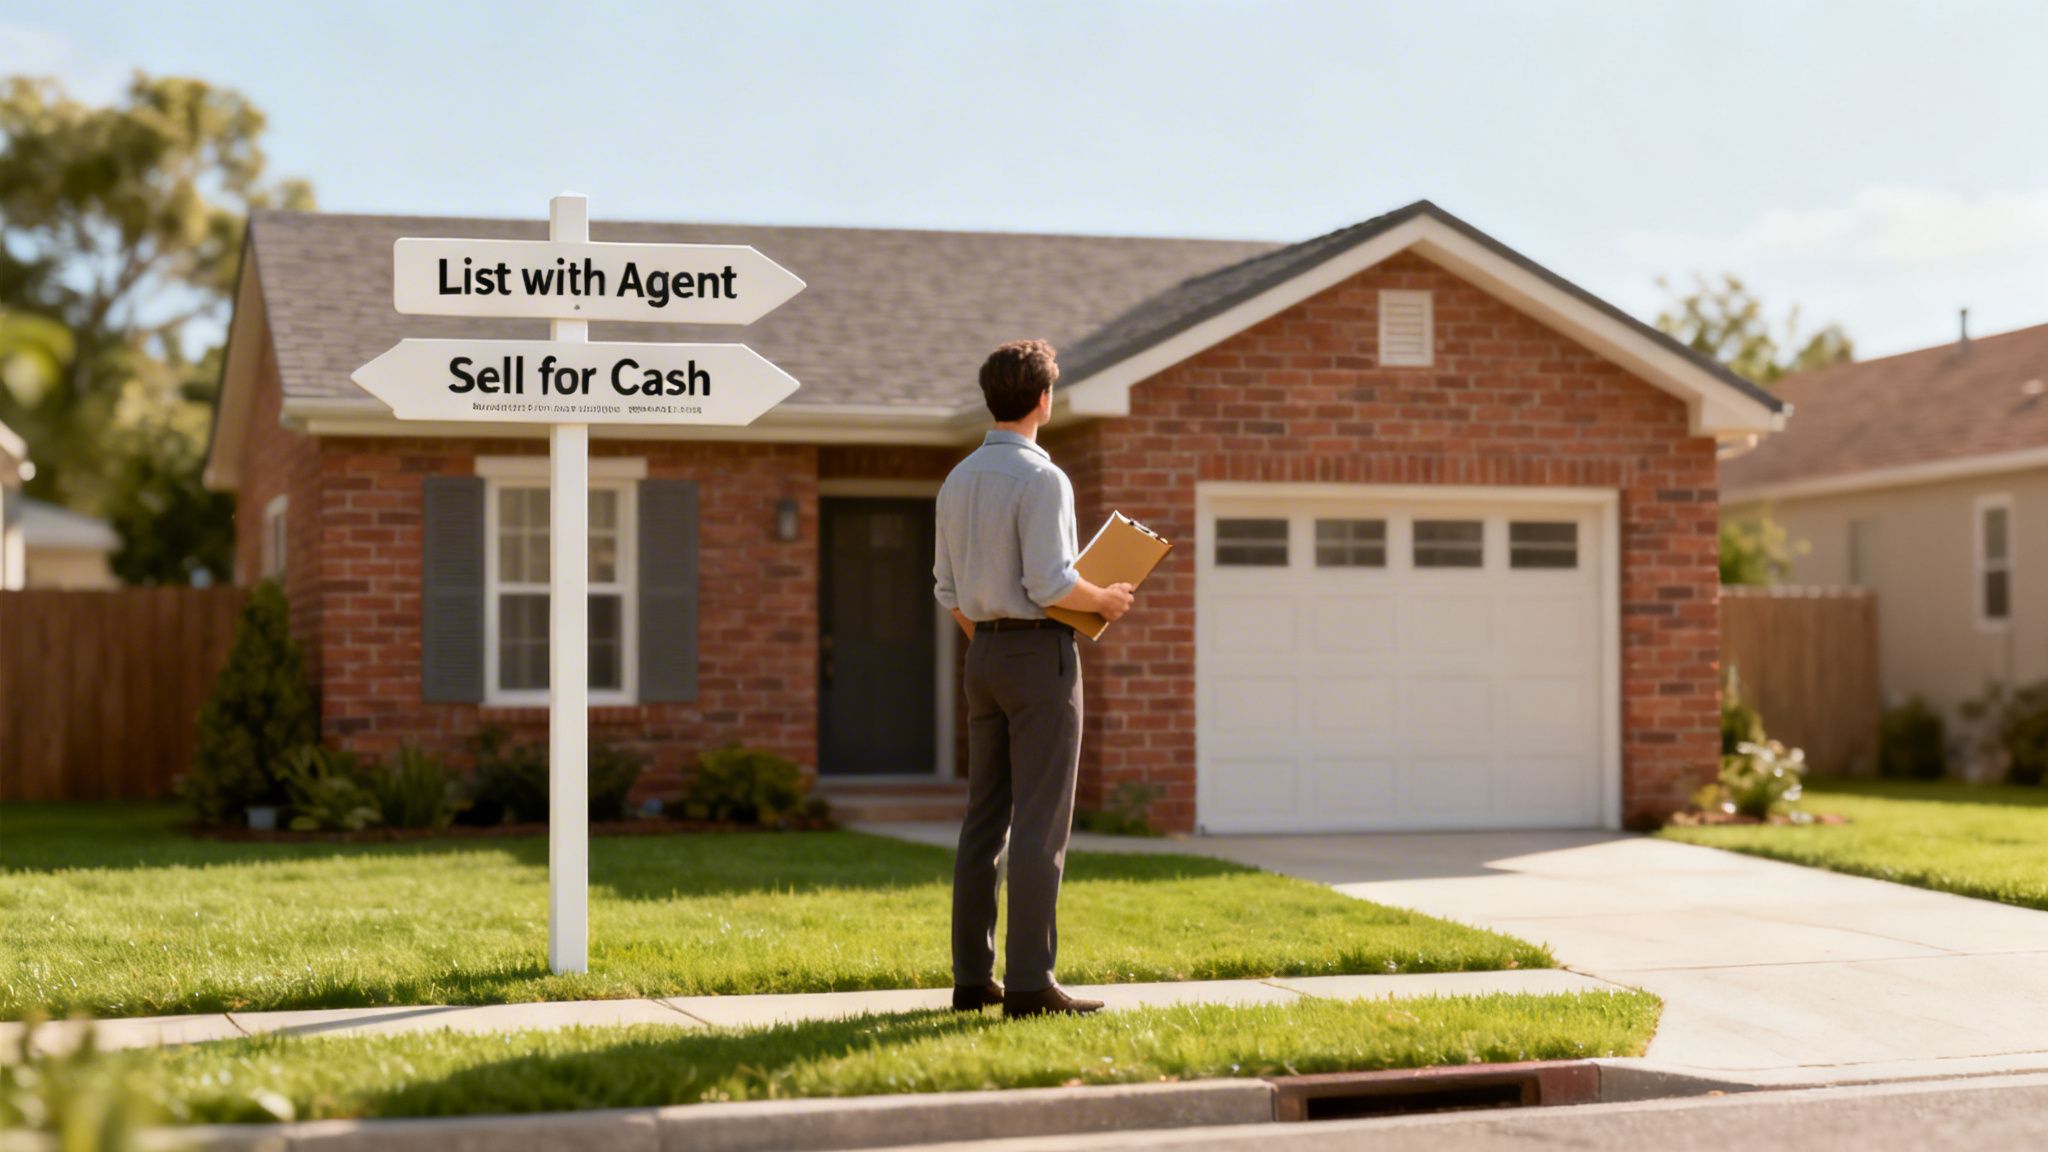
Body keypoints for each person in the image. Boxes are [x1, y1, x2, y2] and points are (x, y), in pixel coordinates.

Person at [934, 339, 1136, 1019]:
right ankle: (1028, 985)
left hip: (981, 657)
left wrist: (989, 642)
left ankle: (972, 979)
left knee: (983, 822)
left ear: (994, 396)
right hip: (1038, 659)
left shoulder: (956, 480)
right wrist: (1104, 600)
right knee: (1041, 825)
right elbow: (1048, 582)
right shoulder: (1043, 478)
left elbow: (948, 590)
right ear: (1044, 399)